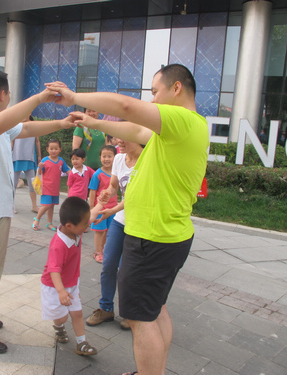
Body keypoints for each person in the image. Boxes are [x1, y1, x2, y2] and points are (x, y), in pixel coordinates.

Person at [47, 63, 209, 375]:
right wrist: (94, 121)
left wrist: (74, 96)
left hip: (152, 238)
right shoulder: (185, 126)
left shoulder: (183, 120)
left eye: (155, 92)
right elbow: (135, 130)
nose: (153, 99)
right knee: (155, 310)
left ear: (176, 88)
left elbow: (125, 107)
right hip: (167, 236)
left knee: (139, 319)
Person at [0, 68, 74, 354]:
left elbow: (25, 129)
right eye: (9, 94)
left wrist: (61, 122)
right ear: (3, 94)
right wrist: (38, 98)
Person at [86, 139, 143, 330]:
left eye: (123, 137)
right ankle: (106, 309)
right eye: (117, 137)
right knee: (108, 265)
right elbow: (113, 187)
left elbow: (135, 197)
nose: (119, 141)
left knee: (129, 272)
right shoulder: (119, 158)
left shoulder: (147, 160)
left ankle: (130, 313)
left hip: (140, 224)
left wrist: (111, 210)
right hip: (121, 221)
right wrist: (105, 196)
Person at [41, 196, 97, 357]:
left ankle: (82, 343)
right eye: (85, 224)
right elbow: (53, 270)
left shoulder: (75, 231)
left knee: (77, 312)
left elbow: (91, 215)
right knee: (62, 317)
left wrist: (102, 202)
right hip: (54, 286)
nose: (88, 225)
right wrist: (60, 291)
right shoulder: (59, 244)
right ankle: (58, 327)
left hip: (71, 282)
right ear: (70, 226)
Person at [32, 139, 70, 232]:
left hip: (55, 189)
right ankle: (36, 219)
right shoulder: (45, 160)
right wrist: (40, 168)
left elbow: (67, 170)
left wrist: (74, 175)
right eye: (51, 148)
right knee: (47, 205)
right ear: (47, 149)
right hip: (46, 187)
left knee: (52, 206)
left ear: (60, 149)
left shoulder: (61, 161)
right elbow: (39, 172)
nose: (54, 151)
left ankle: (49, 223)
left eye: (56, 148)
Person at [88, 145, 117, 263]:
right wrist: (92, 208)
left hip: (113, 209)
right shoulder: (97, 174)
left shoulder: (116, 174)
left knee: (109, 230)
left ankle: (103, 249)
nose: (106, 159)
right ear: (100, 158)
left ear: (115, 157)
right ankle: (98, 252)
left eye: (110, 156)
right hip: (99, 209)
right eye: (104, 156)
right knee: (99, 231)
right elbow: (92, 192)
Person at [12, 115, 41, 213]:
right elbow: (12, 141)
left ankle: (34, 206)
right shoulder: (16, 126)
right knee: (14, 184)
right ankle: (11, 206)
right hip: (16, 157)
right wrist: (9, 153)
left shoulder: (34, 126)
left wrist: (39, 155)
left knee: (32, 183)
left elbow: (37, 141)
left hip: (29, 157)